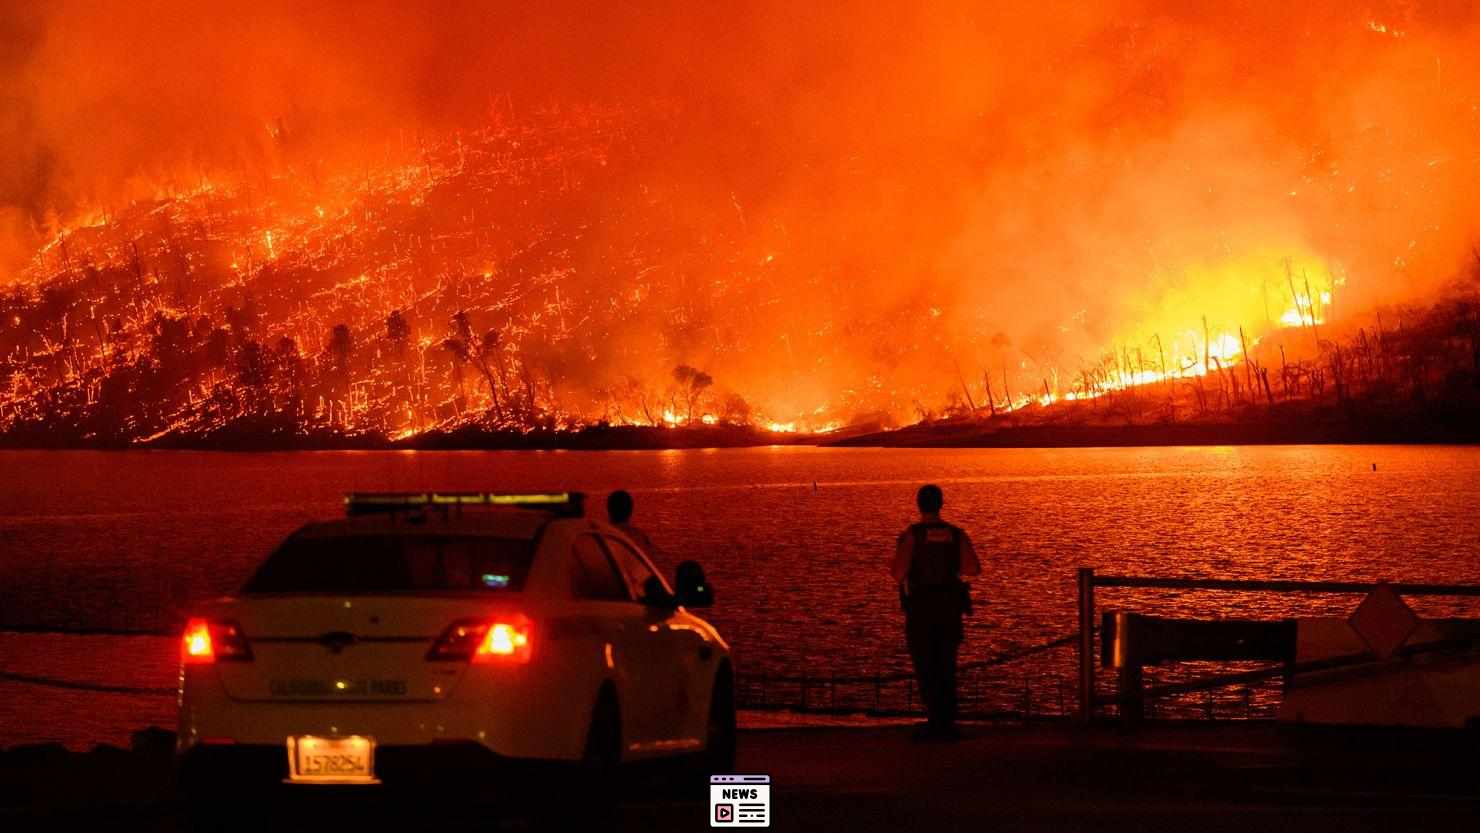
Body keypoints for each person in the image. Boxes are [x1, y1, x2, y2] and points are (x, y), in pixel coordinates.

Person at [890, 484, 981, 740]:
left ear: (919, 505)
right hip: (949, 610)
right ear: (941, 504)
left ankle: (934, 722)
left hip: (920, 611)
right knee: (947, 664)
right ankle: (947, 723)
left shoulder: (912, 536)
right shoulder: (956, 534)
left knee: (926, 666)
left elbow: (898, 574)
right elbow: (973, 568)